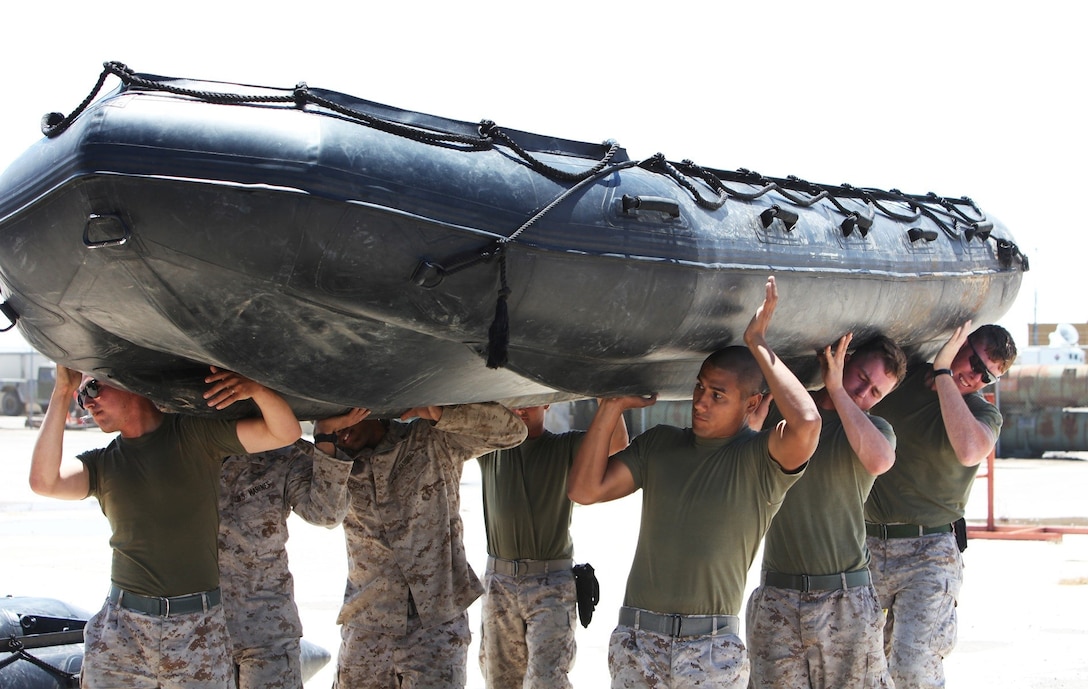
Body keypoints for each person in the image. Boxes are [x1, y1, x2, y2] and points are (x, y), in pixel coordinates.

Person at [567, 276, 822, 689]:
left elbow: (808, 423)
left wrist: (757, 341)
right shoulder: (660, 444)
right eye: (699, 387)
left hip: (710, 649)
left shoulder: (761, 459)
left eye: (718, 395)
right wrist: (611, 408)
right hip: (639, 641)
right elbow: (584, 490)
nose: (700, 402)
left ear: (751, 404)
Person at [28, 365, 302, 689]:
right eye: (80, 396)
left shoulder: (194, 436)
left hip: (197, 630)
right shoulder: (103, 463)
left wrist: (254, 388)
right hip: (122, 630)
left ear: (127, 382)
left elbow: (285, 432)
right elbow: (44, 481)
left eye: (93, 389)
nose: (87, 403)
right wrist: (61, 393)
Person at [745, 333, 907, 689]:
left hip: (845, 598)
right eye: (861, 379)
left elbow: (880, 460)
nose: (864, 393)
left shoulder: (875, 430)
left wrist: (836, 389)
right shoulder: (784, 412)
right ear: (843, 360)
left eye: (875, 392)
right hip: (779, 596)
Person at [330, 402, 527, 689]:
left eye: (346, 417)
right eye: (331, 422)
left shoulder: (430, 438)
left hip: (437, 621)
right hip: (368, 623)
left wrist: (444, 414)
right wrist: (324, 442)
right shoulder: (335, 461)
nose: (341, 430)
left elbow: (512, 432)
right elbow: (319, 513)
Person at [864, 321, 1017, 688]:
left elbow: (968, 450)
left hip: (929, 553)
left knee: (914, 667)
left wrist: (946, 373)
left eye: (988, 378)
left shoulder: (982, 414)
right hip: (867, 544)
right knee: (863, 666)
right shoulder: (900, 381)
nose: (977, 378)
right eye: (976, 364)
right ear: (960, 344)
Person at [477, 403, 629, 689]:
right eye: (514, 399)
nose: (521, 408)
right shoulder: (491, 447)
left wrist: (606, 398)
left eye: (531, 399)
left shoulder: (565, 446)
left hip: (550, 584)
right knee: (501, 680)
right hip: (499, 585)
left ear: (548, 401)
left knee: (547, 680)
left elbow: (619, 442)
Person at [218, 407, 369, 689]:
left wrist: (325, 438)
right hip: (197, 632)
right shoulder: (183, 450)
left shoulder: (280, 455)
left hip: (266, 633)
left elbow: (326, 512)